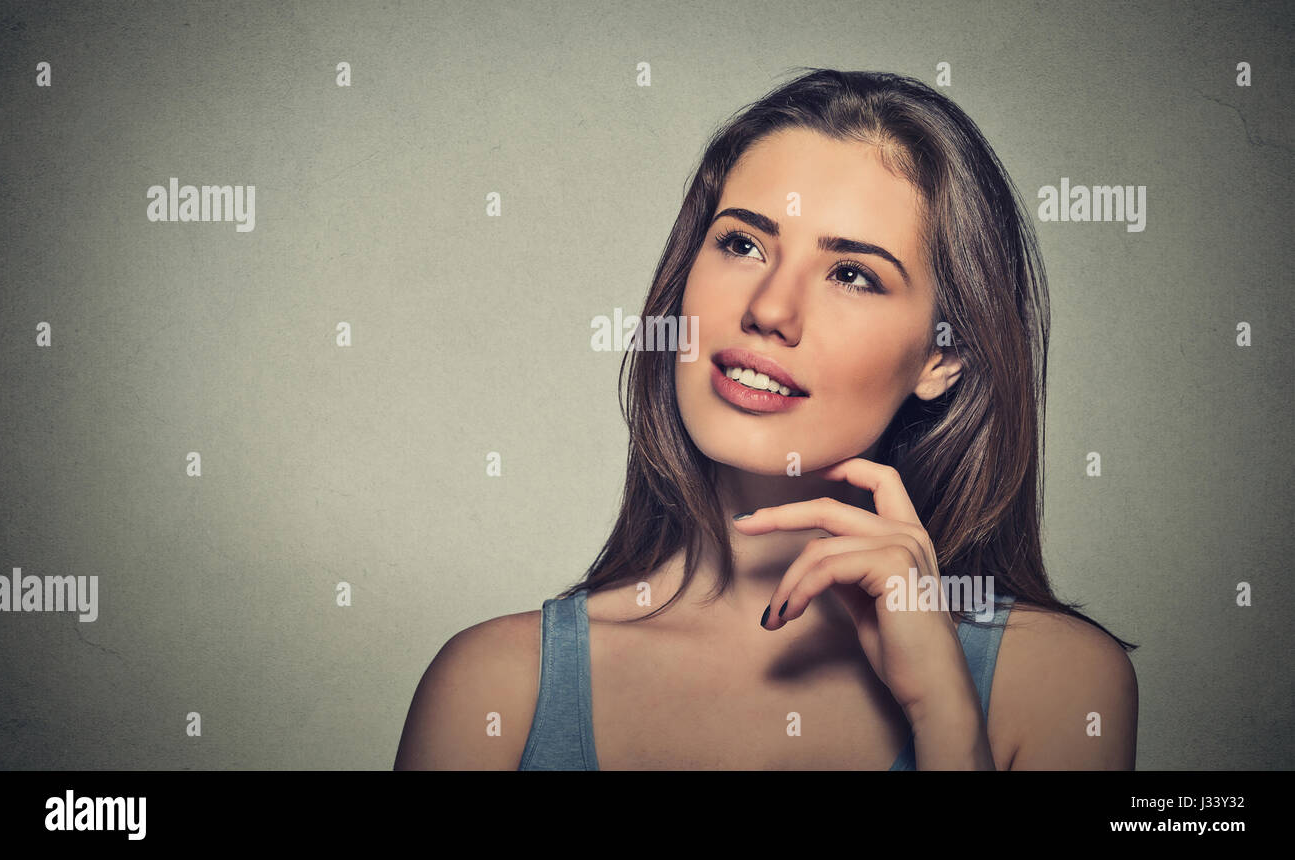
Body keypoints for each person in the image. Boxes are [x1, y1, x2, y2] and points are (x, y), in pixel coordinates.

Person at [394, 68, 1138, 770]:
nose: (769, 310)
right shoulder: (493, 692)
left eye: (852, 274)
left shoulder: (1057, 687)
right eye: (743, 244)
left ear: (945, 358)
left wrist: (945, 716)